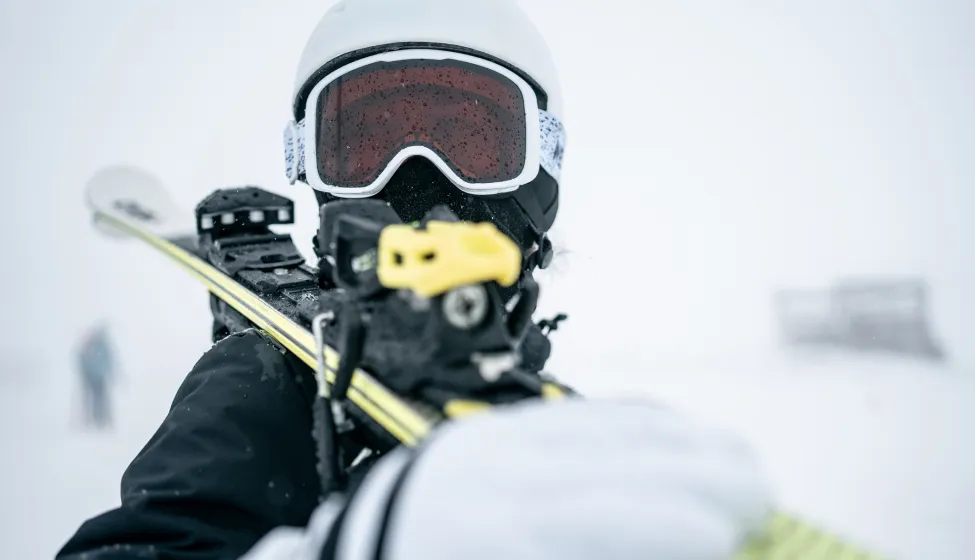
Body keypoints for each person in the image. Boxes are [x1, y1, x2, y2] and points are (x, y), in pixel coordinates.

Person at [57, 1, 771, 558]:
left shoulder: (550, 426)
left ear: (540, 170)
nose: (422, 184)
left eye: (472, 142)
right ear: (313, 172)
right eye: (366, 145)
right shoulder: (266, 381)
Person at [76, 322, 117, 429]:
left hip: (97, 377)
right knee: (96, 400)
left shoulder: (100, 347)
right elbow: (84, 361)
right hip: (92, 378)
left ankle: (101, 420)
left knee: (99, 400)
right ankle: (96, 420)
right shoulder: (92, 346)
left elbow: (107, 361)